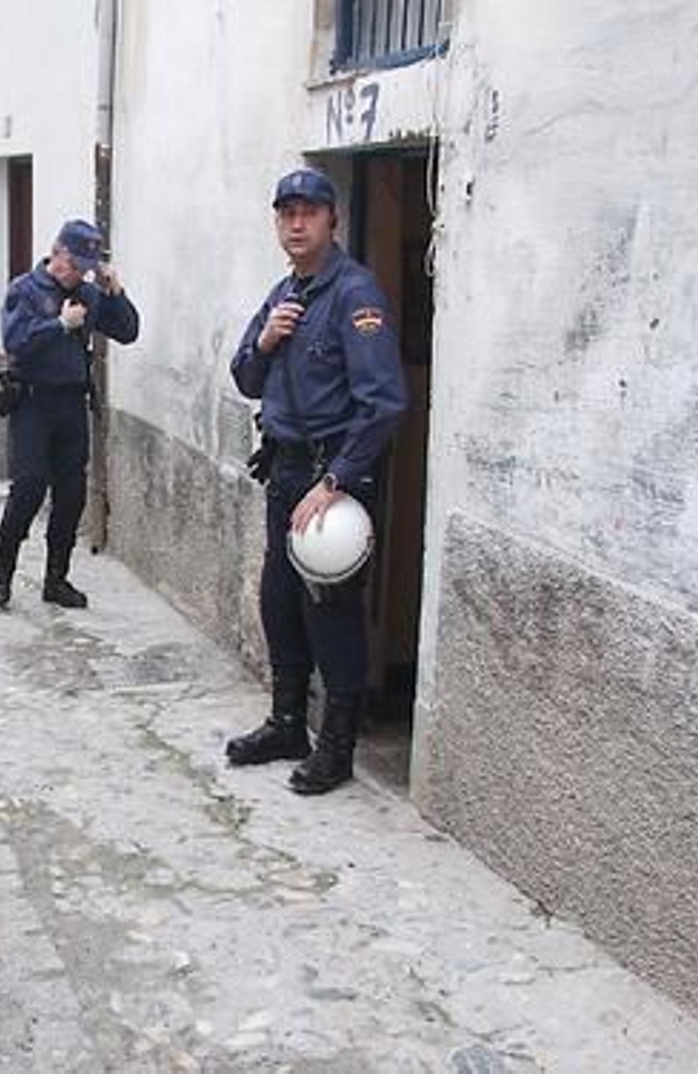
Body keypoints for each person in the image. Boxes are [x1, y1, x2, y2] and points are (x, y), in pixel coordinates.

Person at [224, 167, 408, 795]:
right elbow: (245, 377)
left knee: (330, 609)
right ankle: (286, 723)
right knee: (280, 600)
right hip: (286, 468)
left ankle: (337, 744)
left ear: (333, 221)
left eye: (308, 212)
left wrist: (337, 479)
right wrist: (267, 342)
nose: (296, 224)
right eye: (286, 214)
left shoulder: (355, 296)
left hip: (333, 478)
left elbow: (385, 402)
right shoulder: (283, 293)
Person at [0, 220, 140, 610]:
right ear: (57, 254)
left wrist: (115, 292)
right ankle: (2, 571)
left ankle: (56, 579)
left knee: (71, 497)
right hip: (33, 404)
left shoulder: (88, 292)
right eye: (76, 264)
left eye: (87, 267)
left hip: (71, 404)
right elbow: (15, 342)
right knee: (29, 488)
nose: (81, 274)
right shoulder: (24, 290)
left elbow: (127, 330)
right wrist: (59, 325)